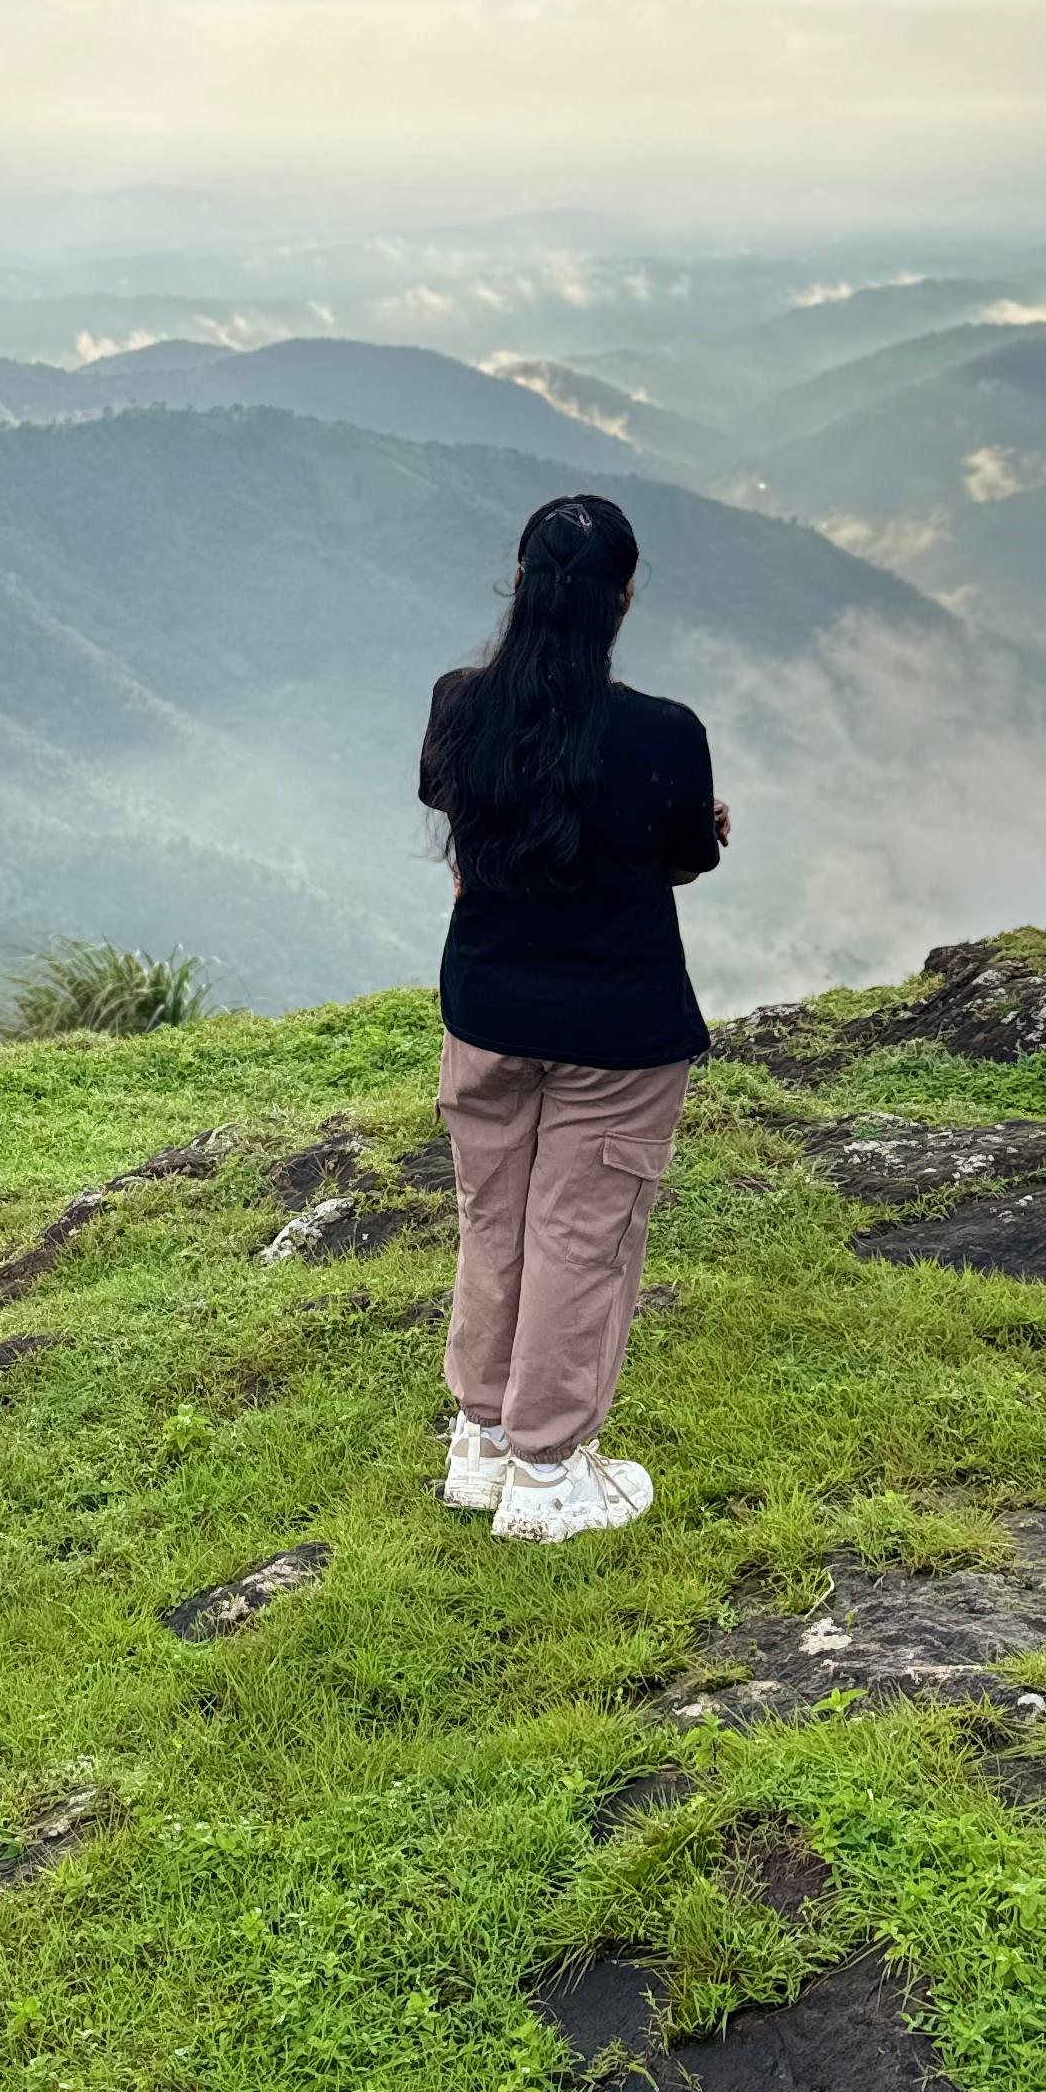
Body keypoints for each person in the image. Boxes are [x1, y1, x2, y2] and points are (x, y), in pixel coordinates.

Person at [416, 493, 728, 1543]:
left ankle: (484, 1441)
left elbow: (468, 816)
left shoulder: (460, 704)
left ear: (521, 583)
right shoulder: (665, 735)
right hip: (617, 1026)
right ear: (624, 596)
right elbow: (680, 855)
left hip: (488, 1009)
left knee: (492, 1218)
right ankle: (549, 1476)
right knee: (580, 1238)